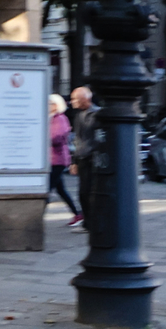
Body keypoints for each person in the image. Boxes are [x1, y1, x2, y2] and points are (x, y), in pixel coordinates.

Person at [45, 93, 80, 228]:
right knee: (61, 190)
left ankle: (37, 217)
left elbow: (58, 138)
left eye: (49, 103)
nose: (47, 106)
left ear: (55, 105)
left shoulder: (60, 119)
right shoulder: (50, 118)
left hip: (57, 159)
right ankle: (78, 214)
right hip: (51, 159)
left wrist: (44, 138)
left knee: (46, 190)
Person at [68, 85, 97, 227]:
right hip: (82, 158)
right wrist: (74, 161)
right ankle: (88, 221)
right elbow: (77, 139)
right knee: (82, 193)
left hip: (92, 159)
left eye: (75, 99)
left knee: (90, 192)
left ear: (84, 99)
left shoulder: (96, 114)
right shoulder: (78, 116)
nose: (72, 101)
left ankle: (91, 222)